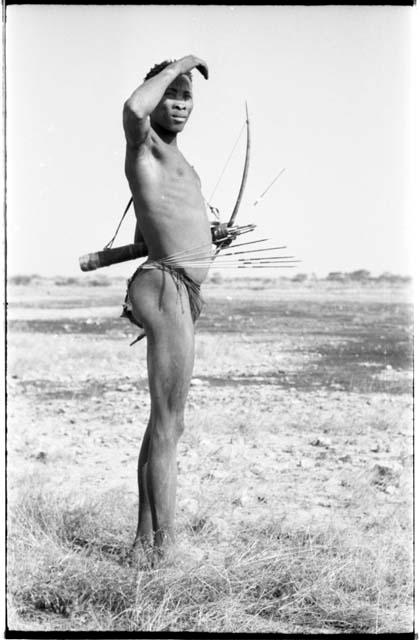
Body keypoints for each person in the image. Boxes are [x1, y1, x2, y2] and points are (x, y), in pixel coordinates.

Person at [122, 55, 212, 563]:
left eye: (187, 95)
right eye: (171, 93)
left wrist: (207, 238)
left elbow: (157, 226)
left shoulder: (179, 163)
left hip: (180, 287)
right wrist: (188, 61)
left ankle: (142, 546)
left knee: (163, 423)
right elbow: (134, 106)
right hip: (166, 287)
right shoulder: (144, 145)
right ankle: (168, 548)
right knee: (170, 425)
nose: (178, 103)